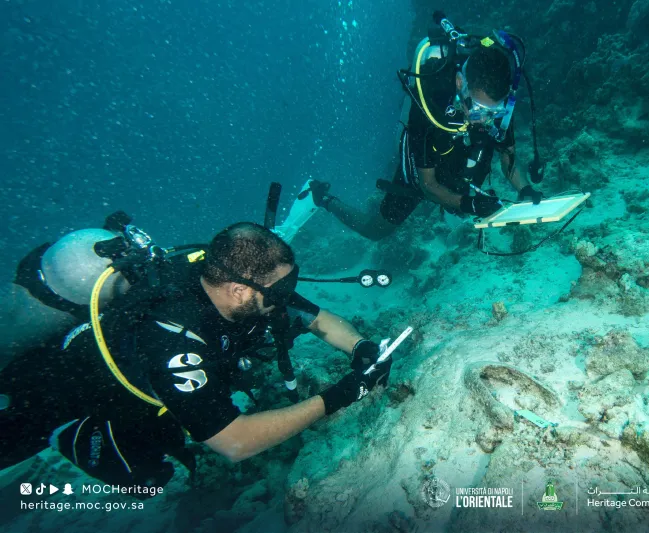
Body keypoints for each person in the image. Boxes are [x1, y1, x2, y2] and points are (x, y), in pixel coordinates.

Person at [0, 222, 391, 496]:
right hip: (65, 396)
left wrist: (361, 347)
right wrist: (340, 396)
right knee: (145, 481)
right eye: (280, 289)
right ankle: (67, 433)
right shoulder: (173, 337)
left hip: (159, 391)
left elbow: (318, 319)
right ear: (239, 289)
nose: (286, 298)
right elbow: (234, 443)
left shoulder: (249, 292)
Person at [310, 22, 544, 241]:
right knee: (377, 231)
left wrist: (525, 189)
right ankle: (325, 199)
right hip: (420, 169)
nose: (484, 120)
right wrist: (466, 204)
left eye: (494, 112)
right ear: (460, 83)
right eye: (479, 109)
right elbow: (428, 185)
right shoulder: (429, 104)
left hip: (460, 156)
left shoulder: (498, 105)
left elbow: (508, 158)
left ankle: (455, 202)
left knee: (466, 190)